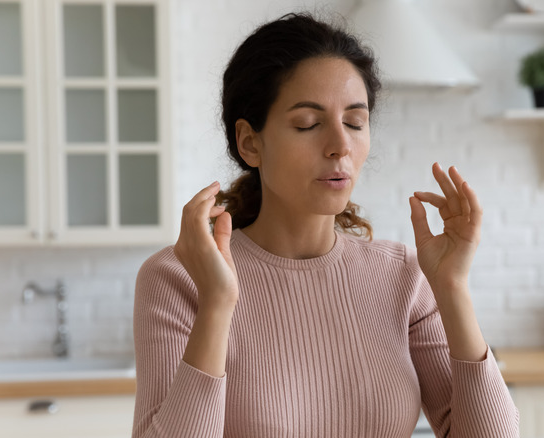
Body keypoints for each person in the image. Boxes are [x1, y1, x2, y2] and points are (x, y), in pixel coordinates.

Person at [131, 12, 519, 438]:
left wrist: (453, 289)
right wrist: (218, 302)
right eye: (308, 124)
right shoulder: (179, 278)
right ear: (250, 142)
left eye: (355, 122)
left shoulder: (403, 276)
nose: (341, 146)